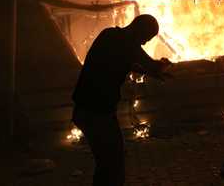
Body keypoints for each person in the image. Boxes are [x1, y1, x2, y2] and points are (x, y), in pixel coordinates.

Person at [71, 14, 172, 186]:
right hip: (95, 113)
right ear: (139, 30)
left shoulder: (109, 36)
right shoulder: (126, 42)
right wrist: (162, 65)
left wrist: (149, 71)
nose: (145, 43)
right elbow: (147, 63)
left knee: (107, 164)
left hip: (90, 110)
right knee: (112, 164)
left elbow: (125, 61)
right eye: (146, 38)